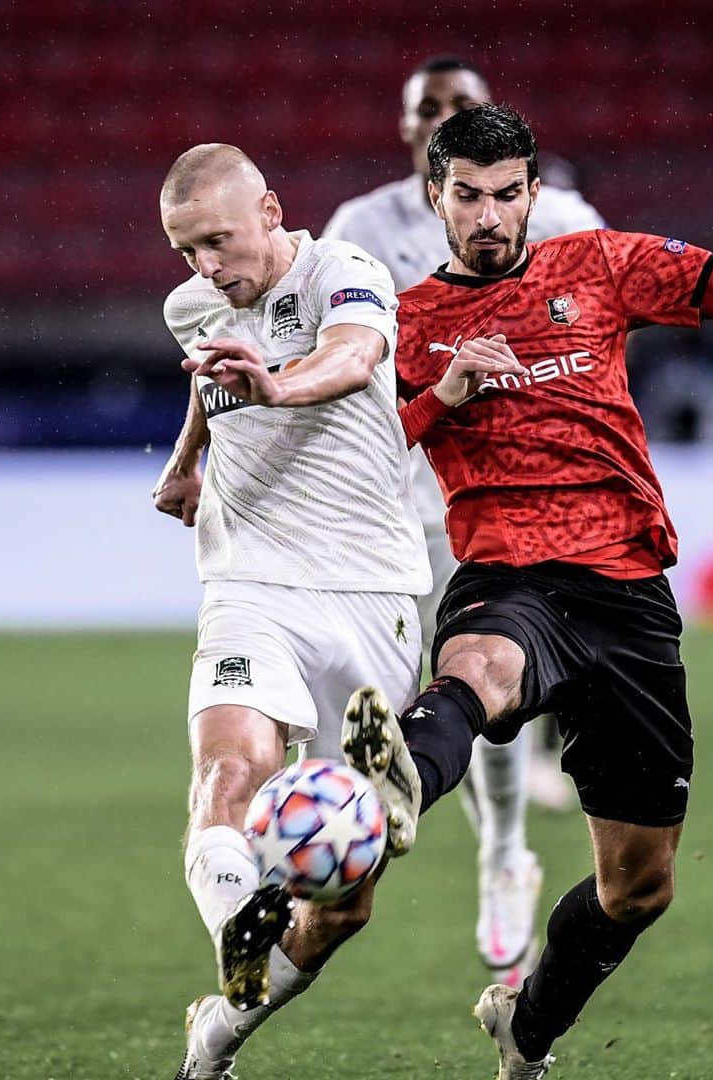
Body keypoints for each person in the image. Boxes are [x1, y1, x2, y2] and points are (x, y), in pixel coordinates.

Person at [199, 105, 713, 1077]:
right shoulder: (408, 321)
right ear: (436, 200)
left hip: (628, 593)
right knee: (482, 668)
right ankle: (396, 788)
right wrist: (442, 396)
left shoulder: (598, 264)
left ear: (533, 195)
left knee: (639, 888)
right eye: (467, 195)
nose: (489, 215)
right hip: (507, 571)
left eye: (507, 195)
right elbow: (364, 463)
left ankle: (526, 1028)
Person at [152, 142, 431, 1080]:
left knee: (343, 904)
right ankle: (237, 923)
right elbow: (209, 370)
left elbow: (353, 360)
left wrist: (281, 382)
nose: (206, 269)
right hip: (251, 582)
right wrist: (190, 454)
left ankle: (217, 1034)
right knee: (231, 770)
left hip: (370, 589)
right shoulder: (191, 304)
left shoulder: (345, 272)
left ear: (270, 211)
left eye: (219, 242)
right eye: (186, 250)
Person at [322, 55, 602, 989]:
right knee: (388, 690)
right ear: (410, 129)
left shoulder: (554, 215)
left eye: (461, 105)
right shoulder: (362, 229)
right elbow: (330, 352)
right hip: (391, 496)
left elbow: (608, 307)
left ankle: (502, 852)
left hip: (494, 500)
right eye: (427, 109)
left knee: (479, 678)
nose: (441, 116)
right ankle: (326, 837)